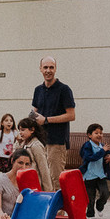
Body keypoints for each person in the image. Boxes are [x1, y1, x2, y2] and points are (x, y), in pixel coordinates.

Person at [30, 56, 75, 192]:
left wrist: (47, 120)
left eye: (51, 67)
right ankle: (46, 209)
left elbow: (71, 115)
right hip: (40, 142)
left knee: (56, 179)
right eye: (45, 67)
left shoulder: (64, 89)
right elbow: (34, 112)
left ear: (55, 69)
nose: (48, 70)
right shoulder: (38, 90)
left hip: (57, 141)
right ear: (40, 69)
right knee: (41, 177)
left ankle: (59, 210)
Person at [79, 123, 110, 219]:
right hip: (89, 175)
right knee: (90, 197)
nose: (99, 135)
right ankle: (90, 214)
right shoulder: (87, 146)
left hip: (100, 175)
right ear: (89, 135)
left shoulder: (102, 146)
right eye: (96, 133)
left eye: (101, 133)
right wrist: (103, 151)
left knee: (105, 193)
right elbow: (90, 158)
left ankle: (100, 205)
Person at [16, 116, 51, 192]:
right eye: (19, 130)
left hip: (34, 183)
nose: (20, 133)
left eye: (23, 130)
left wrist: (48, 190)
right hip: (24, 182)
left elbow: (43, 168)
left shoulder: (36, 146)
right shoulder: (22, 144)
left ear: (32, 130)